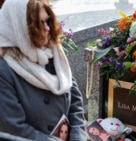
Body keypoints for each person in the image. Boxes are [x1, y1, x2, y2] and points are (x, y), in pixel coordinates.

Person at [0, 0, 87, 141]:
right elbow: (15, 128)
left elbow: (75, 103)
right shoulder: (4, 70)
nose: (47, 28)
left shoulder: (52, 53)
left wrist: (78, 136)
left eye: (48, 21)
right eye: (39, 23)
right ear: (19, 27)